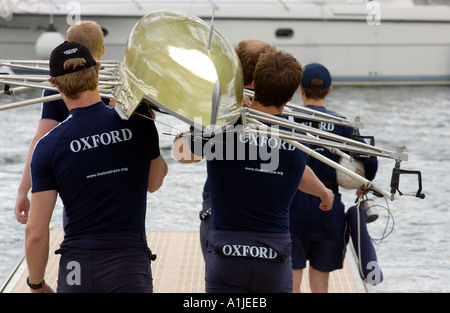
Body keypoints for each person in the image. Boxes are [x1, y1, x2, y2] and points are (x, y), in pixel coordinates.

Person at [173, 50, 334, 293]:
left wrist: (222, 114)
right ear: (291, 96)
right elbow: (301, 175)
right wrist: (324, 193)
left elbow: (180, 152)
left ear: (254, 84)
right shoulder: (297, 139)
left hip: (226, 252)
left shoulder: (222, 127)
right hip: (274, 256)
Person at [25, 41, 167, 293]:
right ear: (97, 72)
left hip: (77, 267)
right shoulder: (138, 121)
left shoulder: (47, 147)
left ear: (55, 85)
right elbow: (154, 183)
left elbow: (36, 233)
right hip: (128, 264)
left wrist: (36, 284)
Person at [288, 63, 378, 293]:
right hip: (327, 210)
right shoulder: (343, 125)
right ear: (329, 90)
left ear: (300, 89)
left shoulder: (288, 119)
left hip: (292, 207)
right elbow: (370, 157)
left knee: (291, 282)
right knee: (321, 286)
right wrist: (364, 184)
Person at [14, 20, 109, 224]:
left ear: (68, 46)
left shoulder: (58, 86)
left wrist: (23, 190)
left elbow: (40, 139)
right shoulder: (117, 83)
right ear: (102, 48)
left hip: (77, 182)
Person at [198, 39, 276, 259]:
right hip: (262, 207)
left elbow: (189, 154)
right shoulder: (277, 107)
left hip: (217, 203)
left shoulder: (215, 104)